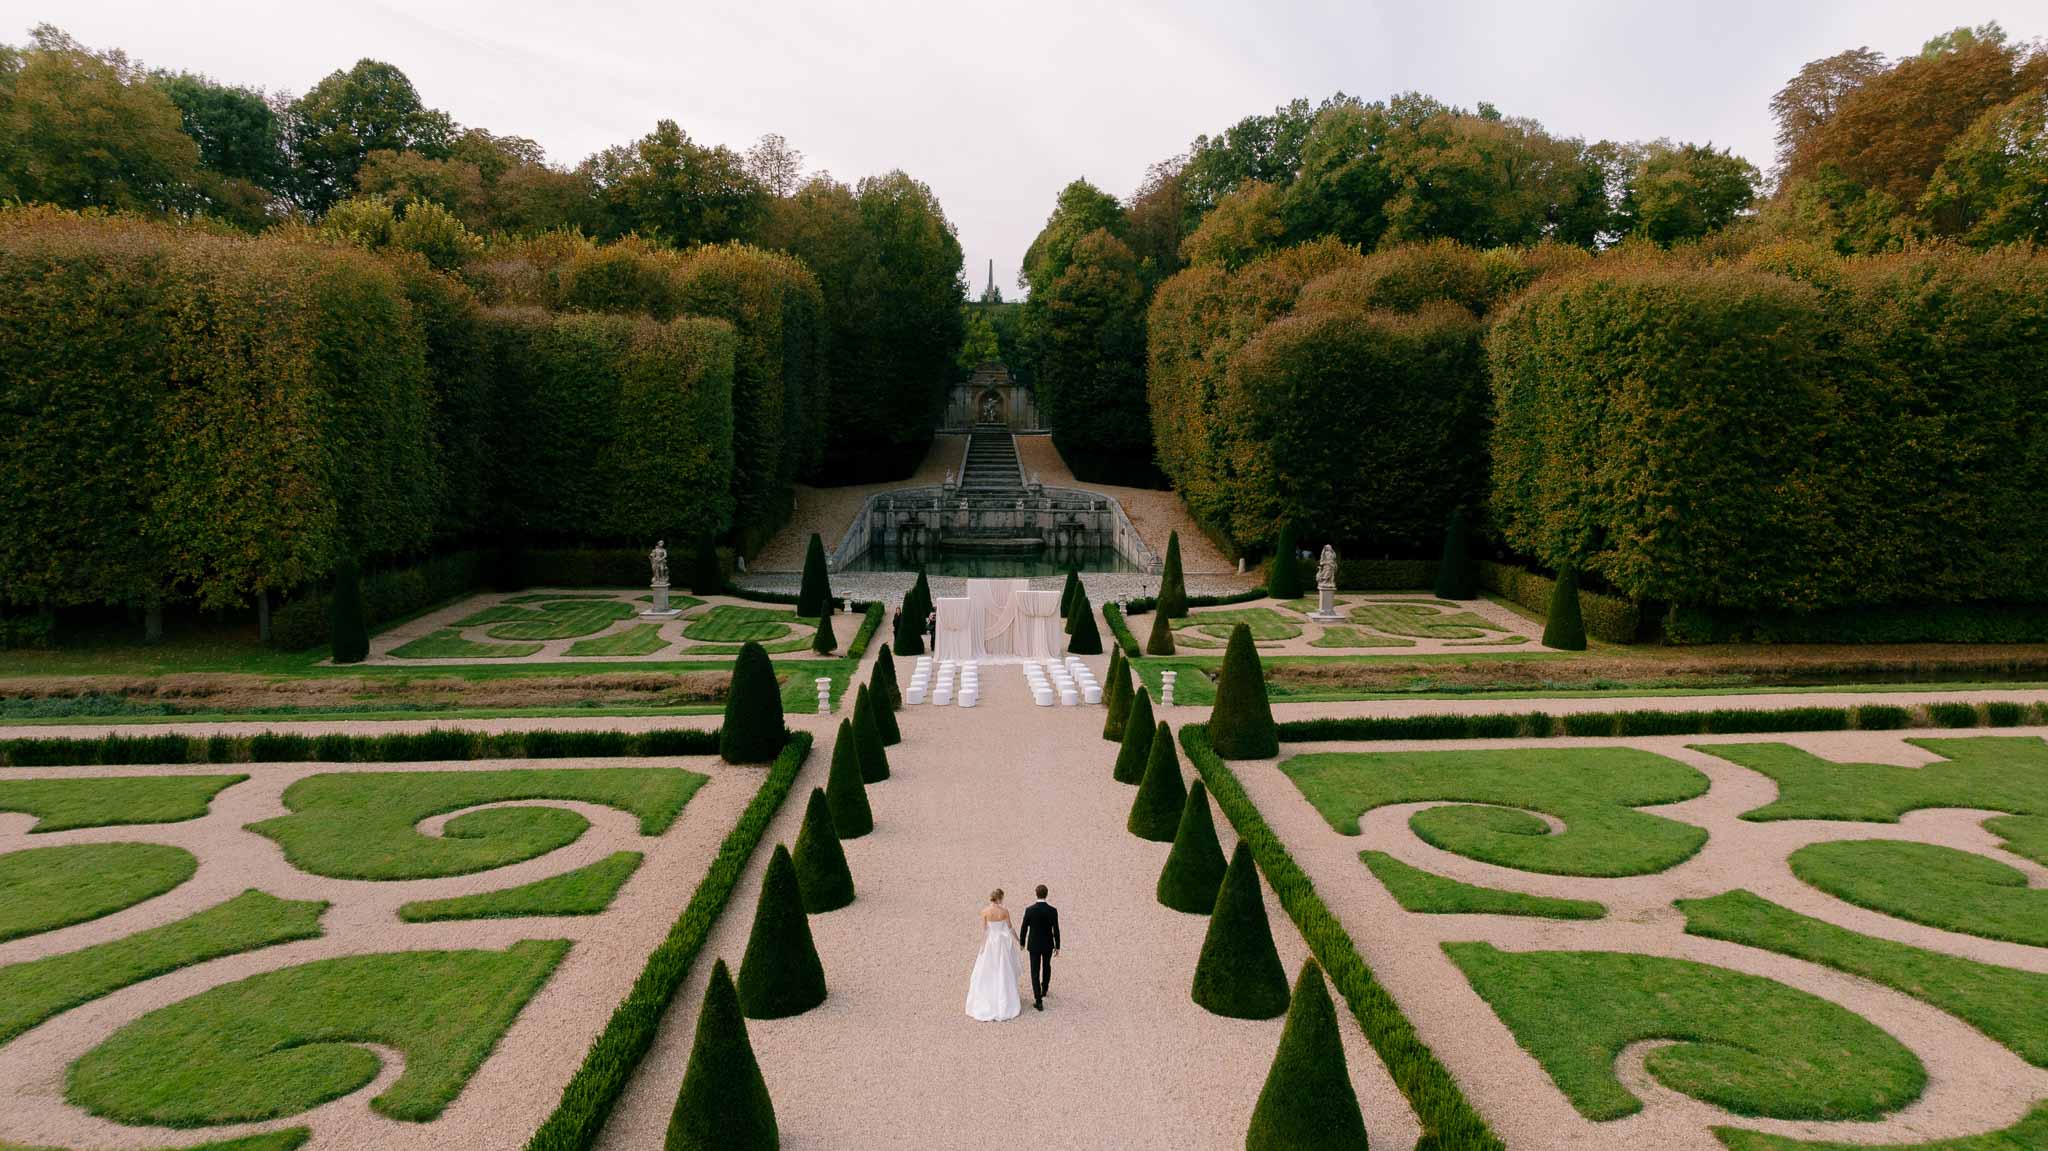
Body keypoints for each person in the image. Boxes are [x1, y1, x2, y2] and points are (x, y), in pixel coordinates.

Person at [965, 888, 1023, 1022]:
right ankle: (1005, 1000)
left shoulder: (985, 911)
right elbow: (1010, 928)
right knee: (1004, 970)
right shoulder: (1004, 912)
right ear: (999, 898)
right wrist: (1018, 940)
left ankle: (989, 998)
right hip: (1002, 943)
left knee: (988, 971)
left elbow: (985, 931)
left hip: (991, 943)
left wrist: (982, 947)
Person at [1018, 884, 1060, 1011]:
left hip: (1034, 944)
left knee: (1034, 971)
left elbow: (1024, 927)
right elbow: (1056, 929)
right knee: (1046, 966)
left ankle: (1038, 1000)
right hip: (1047, 944)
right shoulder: (1052, 910)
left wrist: (1022, 942)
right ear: (1046, 894)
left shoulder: (1030, 910)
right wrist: (1058, 945)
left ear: (1036, 894)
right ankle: (1044, 988)